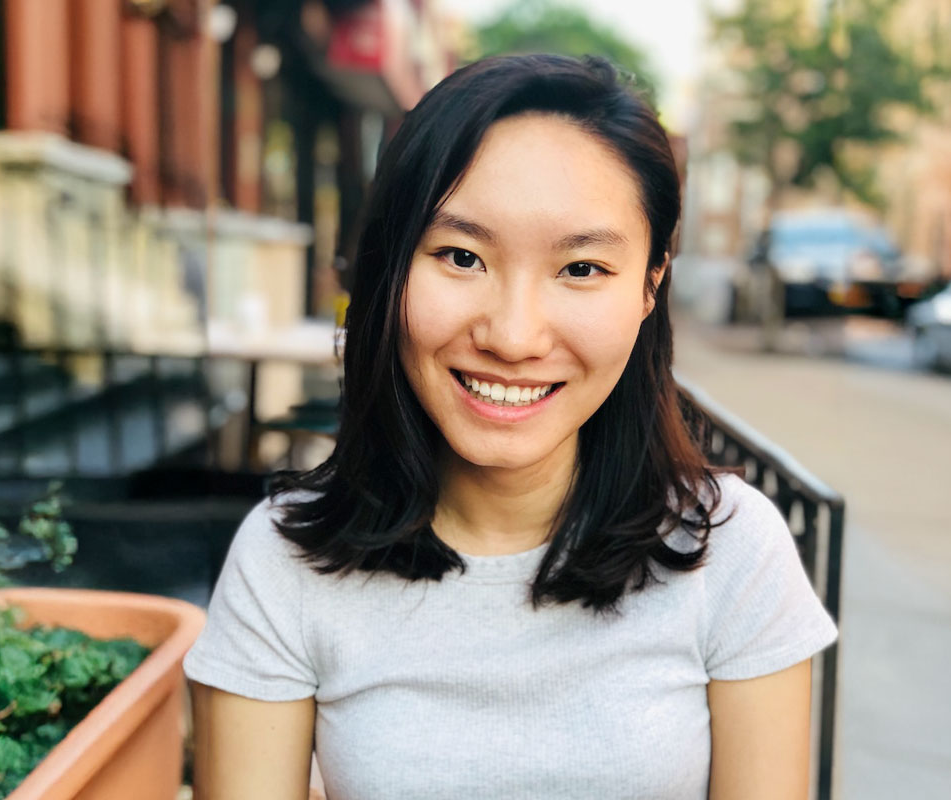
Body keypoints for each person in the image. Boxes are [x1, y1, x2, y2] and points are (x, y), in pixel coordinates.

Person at [184, 54, 838, 800]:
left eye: (581, 268)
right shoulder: (283, 566)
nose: (514, 335)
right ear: (393, 268)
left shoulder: (730, 554)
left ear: (652, 284)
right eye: (461, 256)